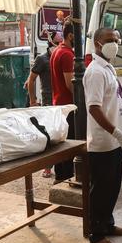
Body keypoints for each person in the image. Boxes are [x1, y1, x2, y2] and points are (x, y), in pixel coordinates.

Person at [83, 27, 122, 243]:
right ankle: (96, 234)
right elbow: (94, 108)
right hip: (103, 141)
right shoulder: (95, 71)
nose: (114, 43)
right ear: (97, 43)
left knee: (113, 186)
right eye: (108, 40)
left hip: (114, 140)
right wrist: (117, 133)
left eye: (116, 39)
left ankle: (108, 224)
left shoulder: (108, 68)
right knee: (101, 190)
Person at [26, 31, 60, 178]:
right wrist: (33, 100)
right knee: (49, 133)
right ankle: (47, 166)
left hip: (61, 100)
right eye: (57, 43)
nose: (60, 46)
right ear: (51, 43)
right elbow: (31, 80)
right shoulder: (42, 59)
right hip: (48, 99)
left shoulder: (62, 56)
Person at [50, 20, 76, 183]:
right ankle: (64, 177)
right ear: (71, 35)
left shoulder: (57, 50)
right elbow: (70, 84)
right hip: (67, 105)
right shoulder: (66, 54)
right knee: (69, 143)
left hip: (59, 103)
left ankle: (61, 176)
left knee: (62, 142)